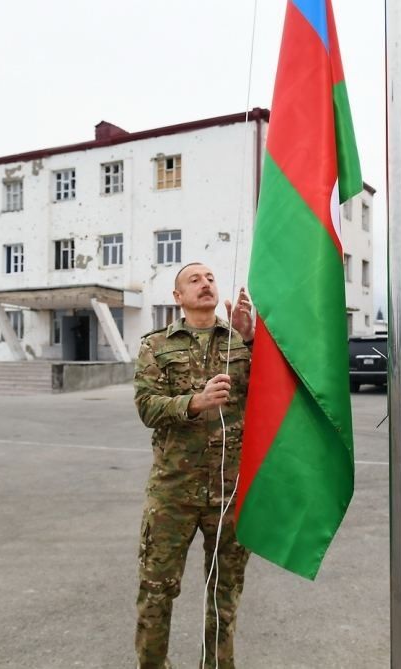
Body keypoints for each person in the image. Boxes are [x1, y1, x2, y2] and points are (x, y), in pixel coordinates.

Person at [133, 262, 255, 669]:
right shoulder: (156, 346)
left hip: (229, 492)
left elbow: (271, 399)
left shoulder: (240, 343)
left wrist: (253, 341)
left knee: (224, 595)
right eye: (193, 279)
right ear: (178, 297)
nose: (204, 284)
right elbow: (147, 407)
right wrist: (195, 402)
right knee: (156, 591)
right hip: (173, 493)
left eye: (209, 278)